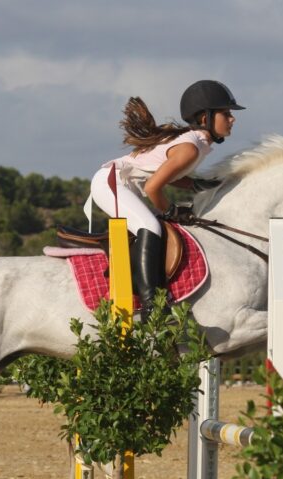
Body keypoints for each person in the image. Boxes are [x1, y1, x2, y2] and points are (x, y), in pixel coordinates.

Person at [84, 80, 245, 316]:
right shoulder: (191, 147)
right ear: (205, 118)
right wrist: (170, 211)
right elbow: (152, 187)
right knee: (151, 226)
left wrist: (194, 184)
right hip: (111, 184)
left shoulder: (195, 143)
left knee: (157, 225)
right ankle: (152, 305)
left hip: (120, 184)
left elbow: (163, 173)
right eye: (226, 113)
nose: (232, 119)